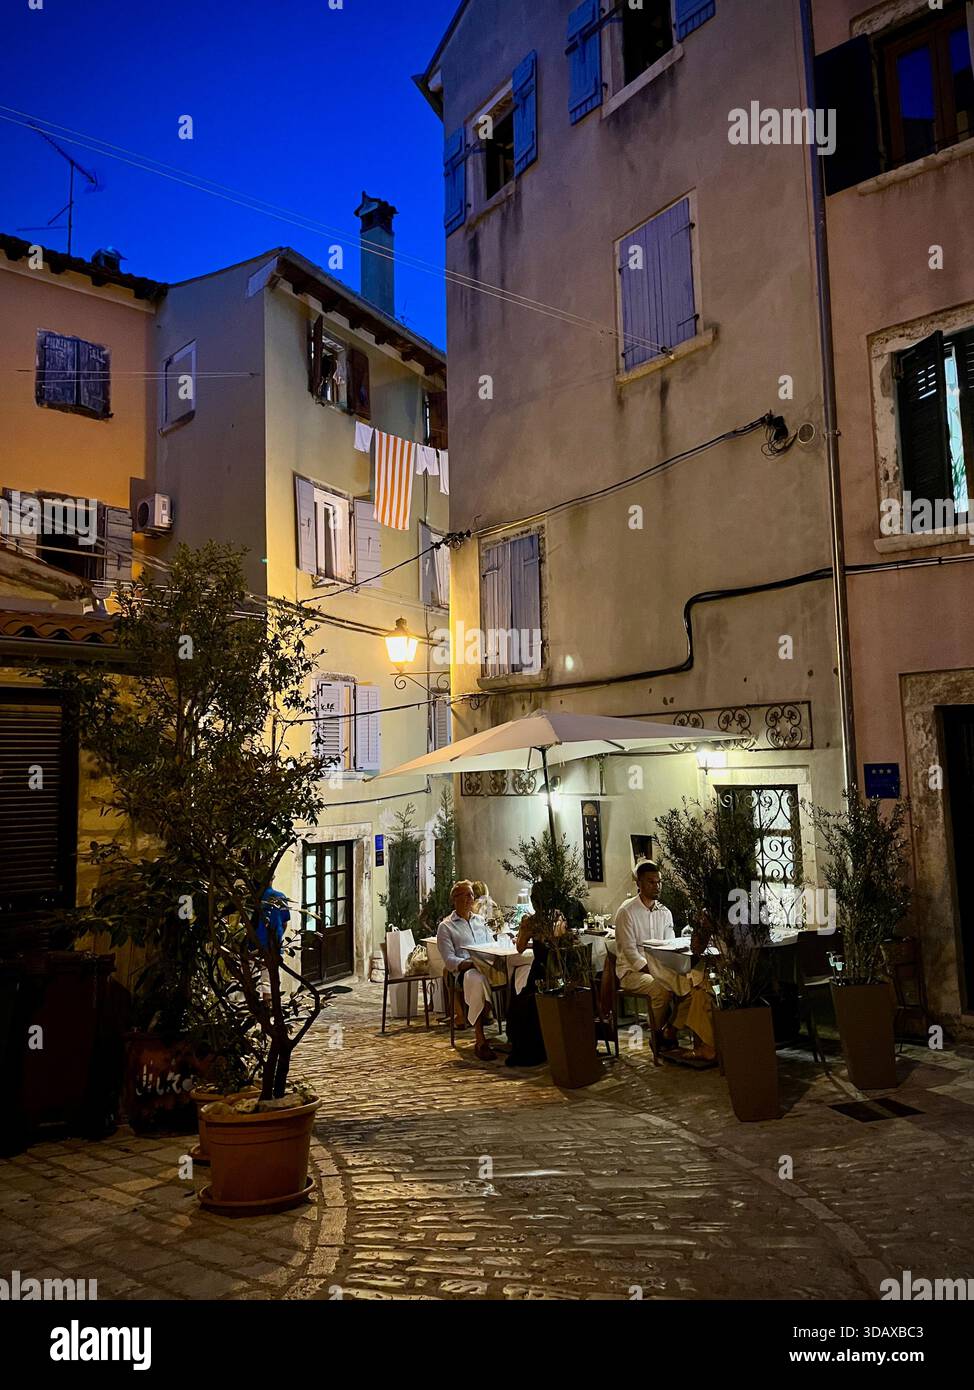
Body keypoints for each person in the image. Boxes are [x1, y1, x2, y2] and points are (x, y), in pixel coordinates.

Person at [504, 881, 567, 1067]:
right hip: (560, 971)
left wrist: (525, 930)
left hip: (541, 973)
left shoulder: (531, 922)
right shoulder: (559, 917)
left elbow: (520, 947)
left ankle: (528, 1048)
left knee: (520, 1004)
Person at [612, 861, 676, 1039]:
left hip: (660, 970)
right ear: (639, 884)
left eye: (659, 882)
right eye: (651, 882)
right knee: (661, 988)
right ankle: (657, 1035)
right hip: (632, 973)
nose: (656, 886)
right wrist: (657, 972)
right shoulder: (627, 911)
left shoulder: (665, 912)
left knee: (687, 986)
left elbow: (670, 945)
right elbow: (631, 952)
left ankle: (671, 1031)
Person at [437, 880, 499, 1062]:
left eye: (471, 895)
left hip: (487, 966)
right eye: (465, 895)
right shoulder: (446, 927)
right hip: (466, 971)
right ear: (454, 899)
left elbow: (492, 946)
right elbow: (449, 961)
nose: (469, 899)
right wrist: (471, 963)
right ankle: (480, 1039)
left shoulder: (480, 922)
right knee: (478, 980)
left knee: (515, 976)